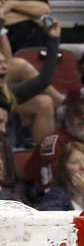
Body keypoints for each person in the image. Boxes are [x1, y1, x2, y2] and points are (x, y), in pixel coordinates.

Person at [0, 15, 59, 147]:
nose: (5, 67)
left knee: (45, 102)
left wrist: (53, 40)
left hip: (7, 156)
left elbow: (44, 80)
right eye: (0, 63)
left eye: (4, 62)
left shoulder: (6, 93)